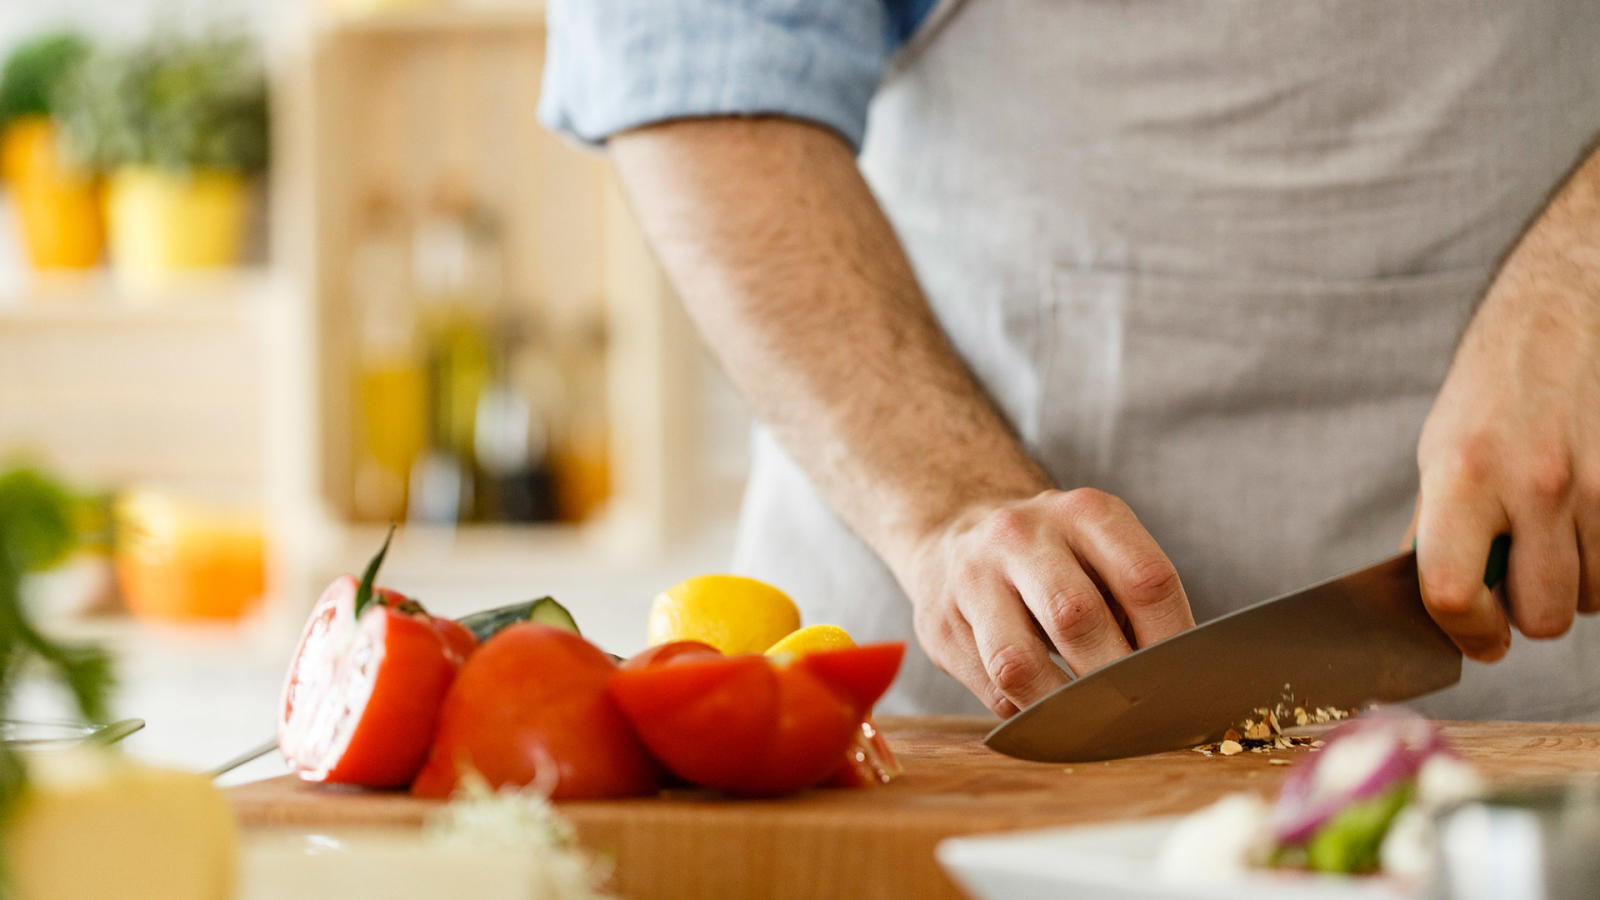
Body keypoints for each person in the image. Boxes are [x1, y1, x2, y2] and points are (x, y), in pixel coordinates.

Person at [541, 0, 1600, 719]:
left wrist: (1579, 282)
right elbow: (695, 71)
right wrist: (947, 501)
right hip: (947, 691)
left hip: (1544, 719)